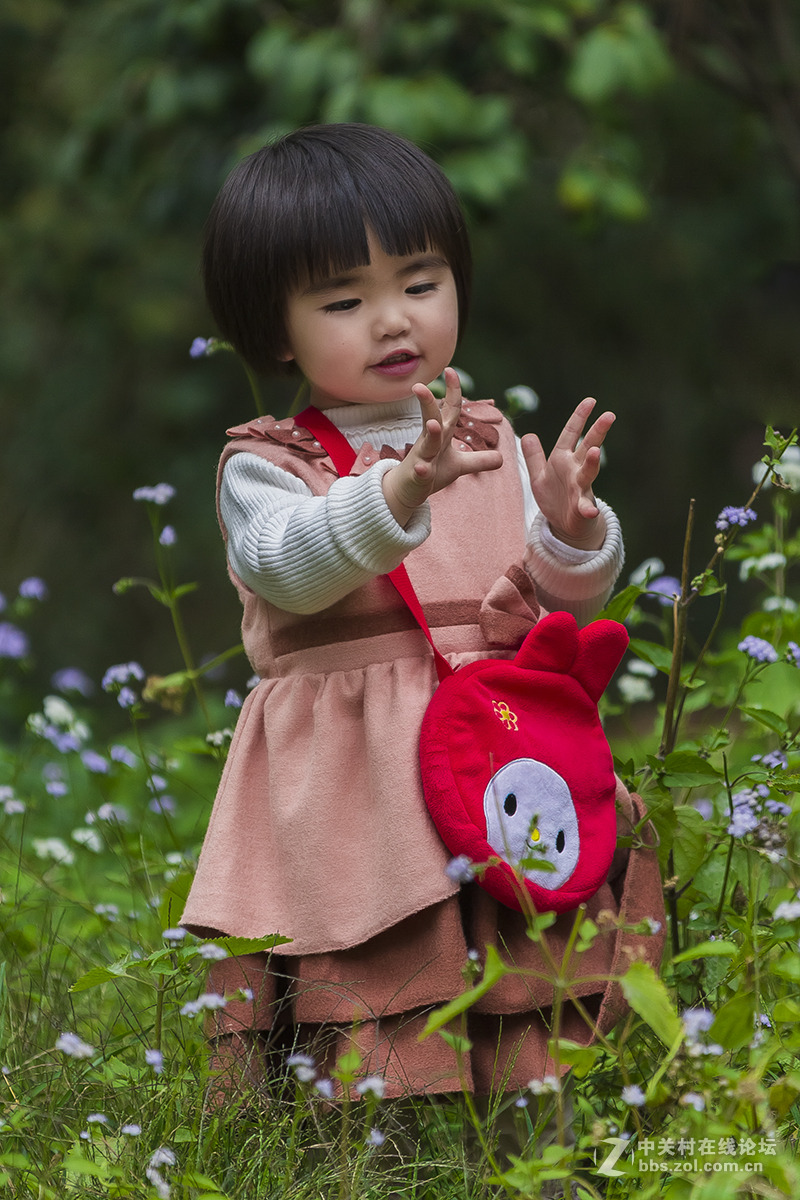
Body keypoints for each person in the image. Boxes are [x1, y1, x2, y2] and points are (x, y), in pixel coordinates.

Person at [180, 123, 664, 1155]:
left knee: (515, 965)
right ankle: (369, 1150)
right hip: (354, 779)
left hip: (490, 752)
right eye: (344, 300)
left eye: (420, 281)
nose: (393, 319)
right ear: (276, 332)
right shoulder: (267, 466)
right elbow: (286, 565)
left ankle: (526, 1137)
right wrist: (394, 489)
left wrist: (573, 534)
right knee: (376, 962)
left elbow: (548, 600)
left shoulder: (485, 440)